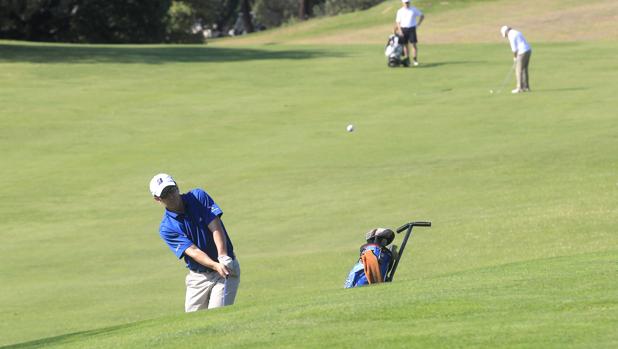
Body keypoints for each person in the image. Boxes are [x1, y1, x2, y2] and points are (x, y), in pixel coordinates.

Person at [149, 173, 240, 312]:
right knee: (193, 322)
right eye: (165, 194)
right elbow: (193, 251)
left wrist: (223, 257)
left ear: (177, 186)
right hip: (198, 278)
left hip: (225, 268)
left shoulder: (198, 197)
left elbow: (215, 225)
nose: (172, 196)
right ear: (157, 199)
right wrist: (215, 265)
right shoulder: (167, 228)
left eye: (172, 189)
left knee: (216, 315)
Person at [501, 25, 532, 93]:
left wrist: (515, 58)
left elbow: (514, 50)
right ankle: (526, 87)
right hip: (528, 50)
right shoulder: (516, 32)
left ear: (506, 32)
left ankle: (519, 88)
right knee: (524, 69)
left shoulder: (511, 35)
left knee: (518, 70)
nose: (506, 36)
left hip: (522, 52)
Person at [395, 0, 424, 67]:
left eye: (408, 2)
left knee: (413, 44)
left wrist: (418, 24)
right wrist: (400, 30)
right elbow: (398, 22)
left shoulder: (413, 9)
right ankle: (407, 59)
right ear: (402, 3)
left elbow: (422, 16)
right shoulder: (400, 11)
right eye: (405, 3)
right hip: (403, 29)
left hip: (411, 29)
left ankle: (415, 60)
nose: (407, 4)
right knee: (405, 45)